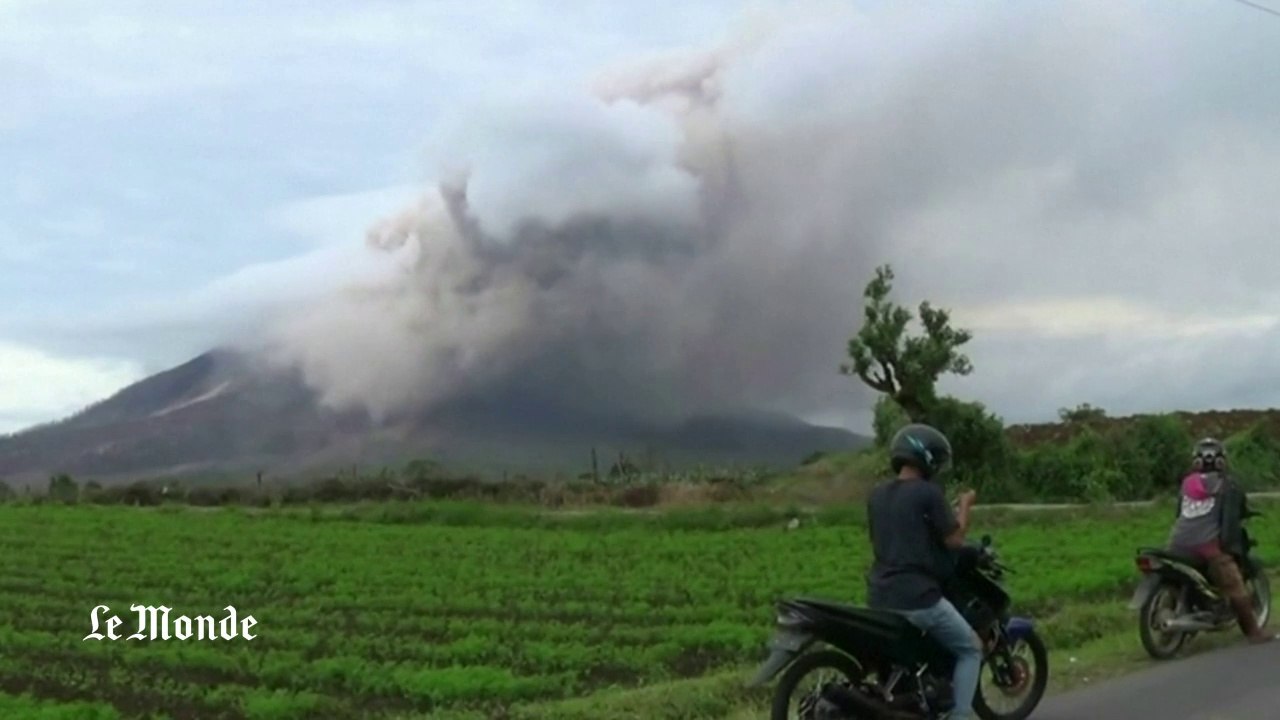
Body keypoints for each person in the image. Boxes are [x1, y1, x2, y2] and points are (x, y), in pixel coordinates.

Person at [864, 423, 982, 720]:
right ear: (928, 458)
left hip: (879, 595)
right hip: (918, 598)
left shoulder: (877, 496)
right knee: (971, 649)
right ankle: (962, 715)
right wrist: (965, 506)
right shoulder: (928, 493)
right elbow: (954, 539)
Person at [1167, 437, 1275, 644]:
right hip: (1207, 547)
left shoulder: (1186, 483)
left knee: (1177, 578)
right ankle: (1254, 632)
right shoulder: (1229, 485)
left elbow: (1178, 513)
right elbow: (1233, 518)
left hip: (1177, 544)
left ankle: (1168, 635)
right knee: (1234, 584)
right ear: (1221, 461)